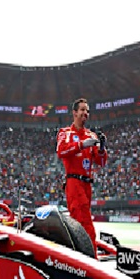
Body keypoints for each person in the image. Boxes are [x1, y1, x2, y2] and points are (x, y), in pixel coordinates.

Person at [56, 98, 107, 252]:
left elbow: (102, 162)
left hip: (87, 185)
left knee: (79, 223)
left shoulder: (91, 135)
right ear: (74, 112)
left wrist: (101, 149)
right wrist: (81, 145)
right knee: (85, 224)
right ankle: (91, 259)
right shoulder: (65, 133)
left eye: (87, 110)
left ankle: (78, 255)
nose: (86, 113)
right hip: (74, 182)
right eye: (83, 109)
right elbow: (61, 151)